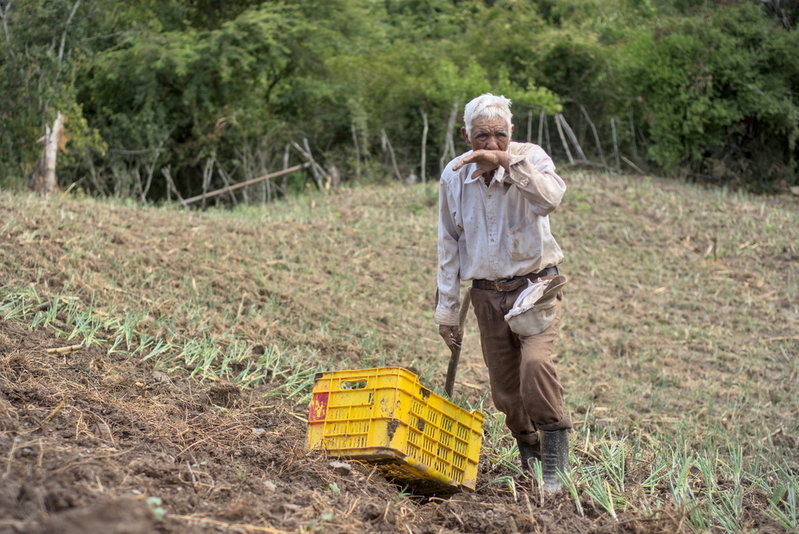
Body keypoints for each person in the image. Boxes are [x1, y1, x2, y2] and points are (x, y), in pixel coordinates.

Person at [435, 93, 570, 491]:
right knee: (506, 391)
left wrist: (508, 163)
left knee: (535, 366)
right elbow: (449, 243)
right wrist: (446, 310)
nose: (491, 144)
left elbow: (550, 199)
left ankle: (555, 455)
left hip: (534, 287)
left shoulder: (532, 159)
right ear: (466, 136)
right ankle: (529, 450)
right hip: (486, 296)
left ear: (512, 133)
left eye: (500, 135)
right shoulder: (454, 176)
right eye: (482, 137)